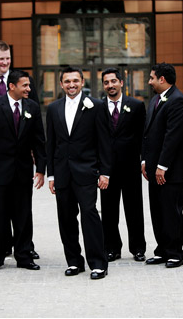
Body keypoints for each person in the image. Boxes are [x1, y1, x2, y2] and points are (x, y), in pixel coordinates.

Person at [46, 66, 111, 280]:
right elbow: (52, 144)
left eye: (75, 81)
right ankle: (74, 262)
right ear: (61, 84)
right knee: (66, 219)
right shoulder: (53, 108)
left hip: (87, 171)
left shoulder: (97, 106)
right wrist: (51, 175)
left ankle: (98, 263)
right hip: (63, 173)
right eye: (67, 81)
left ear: (82, 82)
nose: (71, 85)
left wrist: (105, 172)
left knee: (89, 214)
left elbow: (104, 141)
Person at [0, 70, 46, 272]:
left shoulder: (32, 108)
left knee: (23, 216)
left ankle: (24, 256)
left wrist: (41, 169)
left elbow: (39, 140)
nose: (29, 89)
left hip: (23, 172)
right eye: (25, 85)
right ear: (12, 86)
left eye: (29, 85)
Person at [142, 63, 183, 268]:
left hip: (171, 171)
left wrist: (162, 166)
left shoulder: (178, 101)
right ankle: (162, 250)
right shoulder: (155, 99)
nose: (149, 81)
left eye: (152, 77)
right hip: (154, 169)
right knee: (157, 211)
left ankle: (175, 253)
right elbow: (148, 133)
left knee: (171, 212)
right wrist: (145, 160)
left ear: (162, 79)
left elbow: (173, 137)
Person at [100, 68, 146, 263]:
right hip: (107, 169)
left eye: (113, 81)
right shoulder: (97, 107)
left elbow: (143, 135)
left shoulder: (136, 105)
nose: (110, 85)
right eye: (106, 82)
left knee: (134, 209)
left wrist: (143, 160)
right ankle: (111, 248)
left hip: (130, 167)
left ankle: (138, 248)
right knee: (109, 211)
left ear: (121, 82)